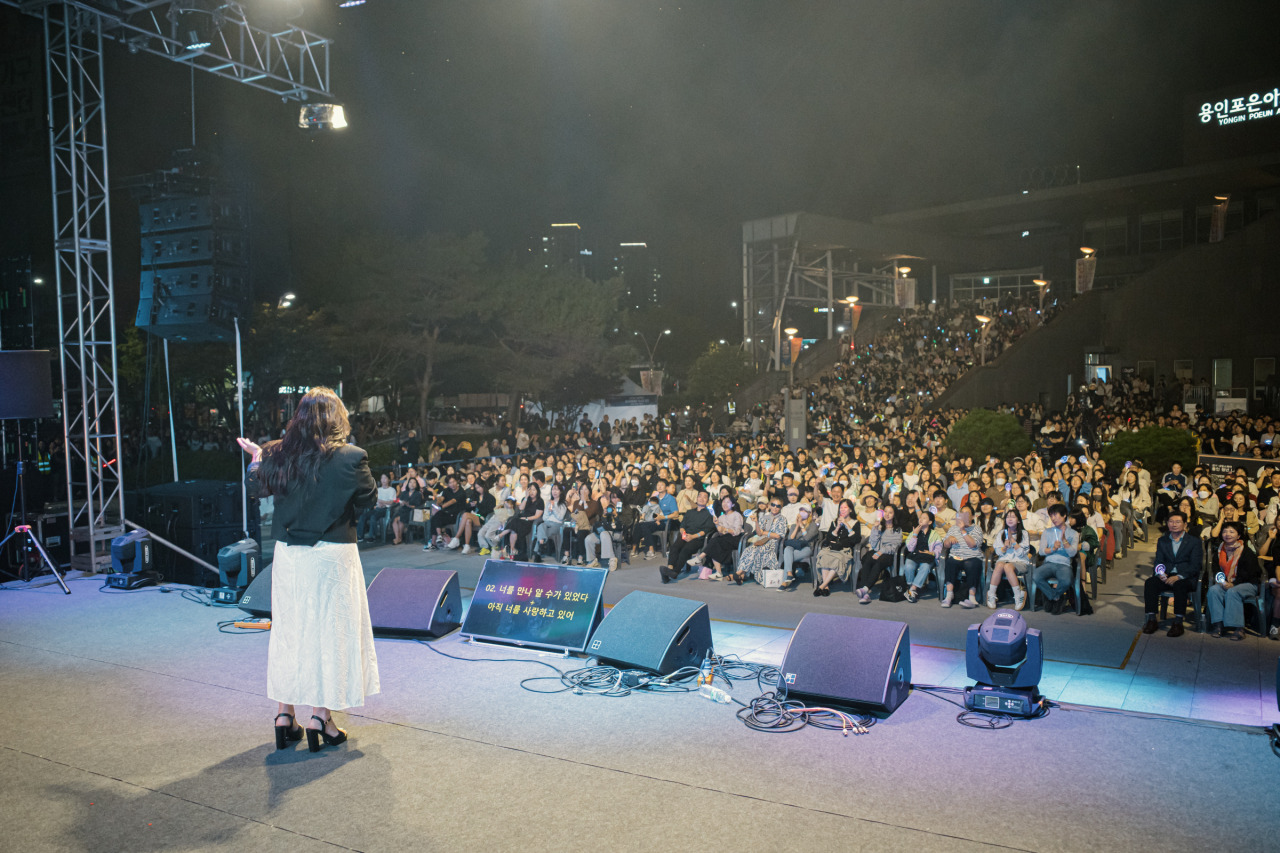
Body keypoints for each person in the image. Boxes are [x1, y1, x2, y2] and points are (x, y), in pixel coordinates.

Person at [237, 387, 378, 753]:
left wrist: (257, 458)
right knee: (329, 633)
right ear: (338, 418)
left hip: (290, 556)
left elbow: (256, 488)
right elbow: (368, 499)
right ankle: (320, 718)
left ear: (299, 417)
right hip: (333, 554)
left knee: (290, 630)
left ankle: (284, 716)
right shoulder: (352, 457)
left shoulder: (276, 453)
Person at [1141, 510, 1204, 637]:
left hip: (1185, 577)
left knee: (1180, 585)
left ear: (1185, 524)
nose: (1174, 524)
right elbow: (1159, 561)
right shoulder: (1163, 540)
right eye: (1171, 521)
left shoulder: (1194, 542)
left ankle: (1178, 622)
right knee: (1150, 583)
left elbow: (1195, 565)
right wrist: (1161, 573)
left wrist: (1179, 576)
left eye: (1177, 522)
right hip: (1167, 575)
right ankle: (1152, 619)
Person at [1205, 521, 1262, 641]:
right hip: (1226, 583)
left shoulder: (1246, 551)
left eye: (1232, 532)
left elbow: (1251, 573)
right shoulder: (1220, 550)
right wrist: (1221, 581)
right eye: (1225, 531)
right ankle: (1218, 625)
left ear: (1239, 535)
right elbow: (1215, 569)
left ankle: (1239, 628)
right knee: (1213, 590)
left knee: (1233, 592)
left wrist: (1234, 584)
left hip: (1247, 584)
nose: (1227, 534)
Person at [1032, 504, 1079, 614]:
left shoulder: (1073, 533)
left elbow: (1072, 553)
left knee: (1066, 581)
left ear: (1064, 515)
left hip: (1064, 564)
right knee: (1035, 575)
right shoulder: (1047, 532)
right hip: (1049, 563)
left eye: (1055, 515)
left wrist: (1065, 542)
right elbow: (1042, 551)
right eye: (1051, 516)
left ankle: (1053, 597)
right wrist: (1053, 548)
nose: (1053, 518)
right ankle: (1055, 597)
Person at [732, 493, 786, 585]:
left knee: (757, 550)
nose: (775, 507)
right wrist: (756, 522)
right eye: (773, 505)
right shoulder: (765, 517)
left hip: (773, 542)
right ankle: (741, 574)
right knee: (748, 549)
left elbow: (778, 535)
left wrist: (765, 532)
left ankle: (740, 573)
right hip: (762, 540)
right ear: (769, 505)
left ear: (781, 507)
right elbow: (759, 533)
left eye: (778, 506)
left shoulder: (782, 519)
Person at [854, 509, 904, 604]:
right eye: (886, 512)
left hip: (888, 554)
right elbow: (873, 544)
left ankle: (865, 588)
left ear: (894, 515)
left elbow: (895, 547)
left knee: (878, 563)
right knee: (867, 560)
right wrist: (875, 529)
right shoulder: (880, 526)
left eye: (890, 512)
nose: (887, 514)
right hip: (876, 551)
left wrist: (881, 552)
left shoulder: (897, 530)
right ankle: (865, 594)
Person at [814, 499, 860, 597]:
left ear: (850, 510)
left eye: (845, 507)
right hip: (832, 548)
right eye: (841, 508)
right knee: (824, 555)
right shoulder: (834, 522)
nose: (842, 510)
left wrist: (847, 525)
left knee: (837, 560)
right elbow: (828, 540)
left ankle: (821, 586)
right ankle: (826, 587)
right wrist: (837, 527)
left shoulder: (855, 523)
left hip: (844, 550)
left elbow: (855, 540)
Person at [942, 507, 984, 609]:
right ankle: (949, 595)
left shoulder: (977, 528)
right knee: (950, 562)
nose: (964, 516)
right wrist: (949, 539)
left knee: (971, 564)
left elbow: (972, 544)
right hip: (956, 555)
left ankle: (972, 598)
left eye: (967, 514)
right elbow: (945, 545)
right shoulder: (953, 528)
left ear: (972, 516)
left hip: (972, 556)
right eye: (962, 513)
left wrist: (962, 530)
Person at [990, 509, 1031, 610]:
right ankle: (991, 594)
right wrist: (1004, 547)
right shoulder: (1001, 533)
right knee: (1000, 565)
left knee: (1008, 566)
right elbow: (998, 552)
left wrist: (1012, 540)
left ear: (1018, 520)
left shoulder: (1024, 533)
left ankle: (1018, 596)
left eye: (1013, 517)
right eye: (1008, 517)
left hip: (1020, 562)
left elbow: (1022, 554)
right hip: (1004, 560)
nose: (1010, 519)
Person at [901, 510, 944, 603]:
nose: (921, 519)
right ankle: (911, 588)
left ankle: (912, 589)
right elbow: (910, 548)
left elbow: (939, 548)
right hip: (915, 556)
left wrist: (932, 553)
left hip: (927, 557)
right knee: (908, 565)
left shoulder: (934, 534)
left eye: (924, 518)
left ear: (930, 522)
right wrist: (915, 535)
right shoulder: (914, 532)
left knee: (925, 567)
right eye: (920, 517)